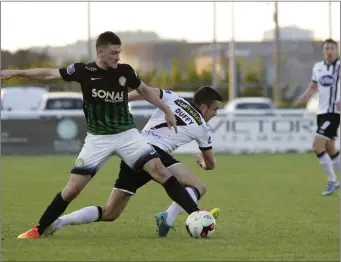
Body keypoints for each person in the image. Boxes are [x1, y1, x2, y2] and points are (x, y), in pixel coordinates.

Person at [0, 31, 201, 239]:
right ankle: (40, 229)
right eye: (113, 53)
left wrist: (166, 110)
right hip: (97, 139)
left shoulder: (125, 71)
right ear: (100, 51)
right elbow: (49, 74)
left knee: (160, 171)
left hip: (127, 135)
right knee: (72, 189)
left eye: (119, 53)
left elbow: (144, 90)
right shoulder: (83, 70)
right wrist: (17, 73)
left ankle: (196, 214)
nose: (117, 57)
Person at [42, 86, 222, 238]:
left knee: (109, 213)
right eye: (215, 109)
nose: (215, 114)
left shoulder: (173, 98)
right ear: (204, 107)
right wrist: (203, 164)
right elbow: (211, 164)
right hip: (155, 154)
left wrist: (121, 101)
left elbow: (145, 90)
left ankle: (59, 222)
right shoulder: (202, 128)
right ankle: (170, 217)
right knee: (199, 186)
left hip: (135, 151)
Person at [299, 38, 340, 196]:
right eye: (327, 48)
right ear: (323, 51)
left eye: (332, 48)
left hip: (333, 113)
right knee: (330, 149)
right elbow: (314, 85)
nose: (329, 51)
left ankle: (332, 181)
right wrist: (306, 95)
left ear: (336, 51)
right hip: (321, 113)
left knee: (317, 147)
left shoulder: (339, 66)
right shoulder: (318, 67)